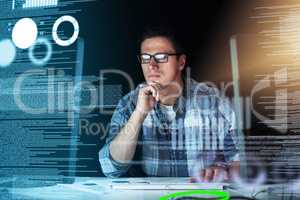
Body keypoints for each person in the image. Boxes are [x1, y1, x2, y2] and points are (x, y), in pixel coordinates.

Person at [99, 26, 240, 182]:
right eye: (145, 58)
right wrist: (139, 114)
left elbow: (241, 161)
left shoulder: (215, 102)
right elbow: (110, 168)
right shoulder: (129, 103)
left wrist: (223, 171)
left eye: (161, 57)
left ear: (181, 62)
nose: (152, 65)